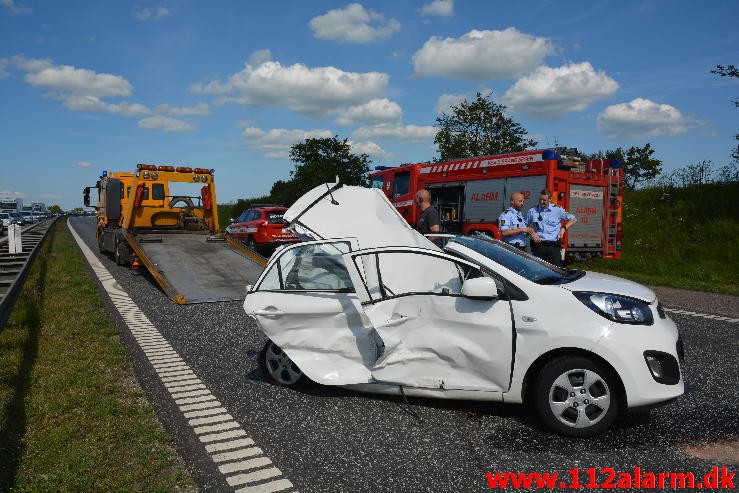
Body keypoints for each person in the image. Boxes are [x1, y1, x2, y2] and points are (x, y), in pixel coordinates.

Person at [526, 189, 577, 267]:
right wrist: (531, 232)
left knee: (556, 269)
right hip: (539, 246)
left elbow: (574, 219)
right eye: (540, 199)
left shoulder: (558, 209)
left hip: (553, 246)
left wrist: (563, 228)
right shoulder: (532, 211)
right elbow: (525, 226)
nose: (541, 202)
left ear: (550, 199)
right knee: (537, 269)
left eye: (544, 200)